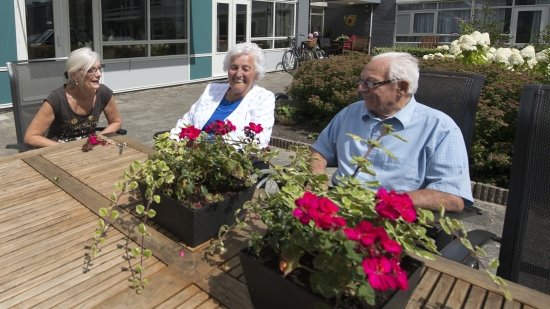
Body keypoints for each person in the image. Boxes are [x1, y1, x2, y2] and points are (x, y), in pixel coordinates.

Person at [310, 52, 473, 212]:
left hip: (389, 218)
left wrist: (386, 201)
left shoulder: (440, 129)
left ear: (402, 87)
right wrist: (317, 178)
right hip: (334, 207)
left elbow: (452, 196)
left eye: (370, 83)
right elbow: (320, 151)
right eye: (361, 81)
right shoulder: (350, 113)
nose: (360, 88)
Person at [170, 42, 275, 148]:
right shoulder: (212, 89)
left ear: (256, 73)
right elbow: (187, 120)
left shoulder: (264, 98)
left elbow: (259, 140)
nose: (238, 74)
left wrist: (205, 144)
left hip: (229, 161)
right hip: (191, 157)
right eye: (234, 67)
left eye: (245, 69)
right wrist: (173, 141)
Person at [24, 47, 122, 148]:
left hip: (89, 148)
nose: (99, 74)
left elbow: (116, 121)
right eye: (91, 70)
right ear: (74, 74)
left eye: (99, 68)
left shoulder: (103, 92)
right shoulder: (57, 99)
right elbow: (30, 137)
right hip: (60, 151)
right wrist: (66, 149)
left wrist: (98, 138)